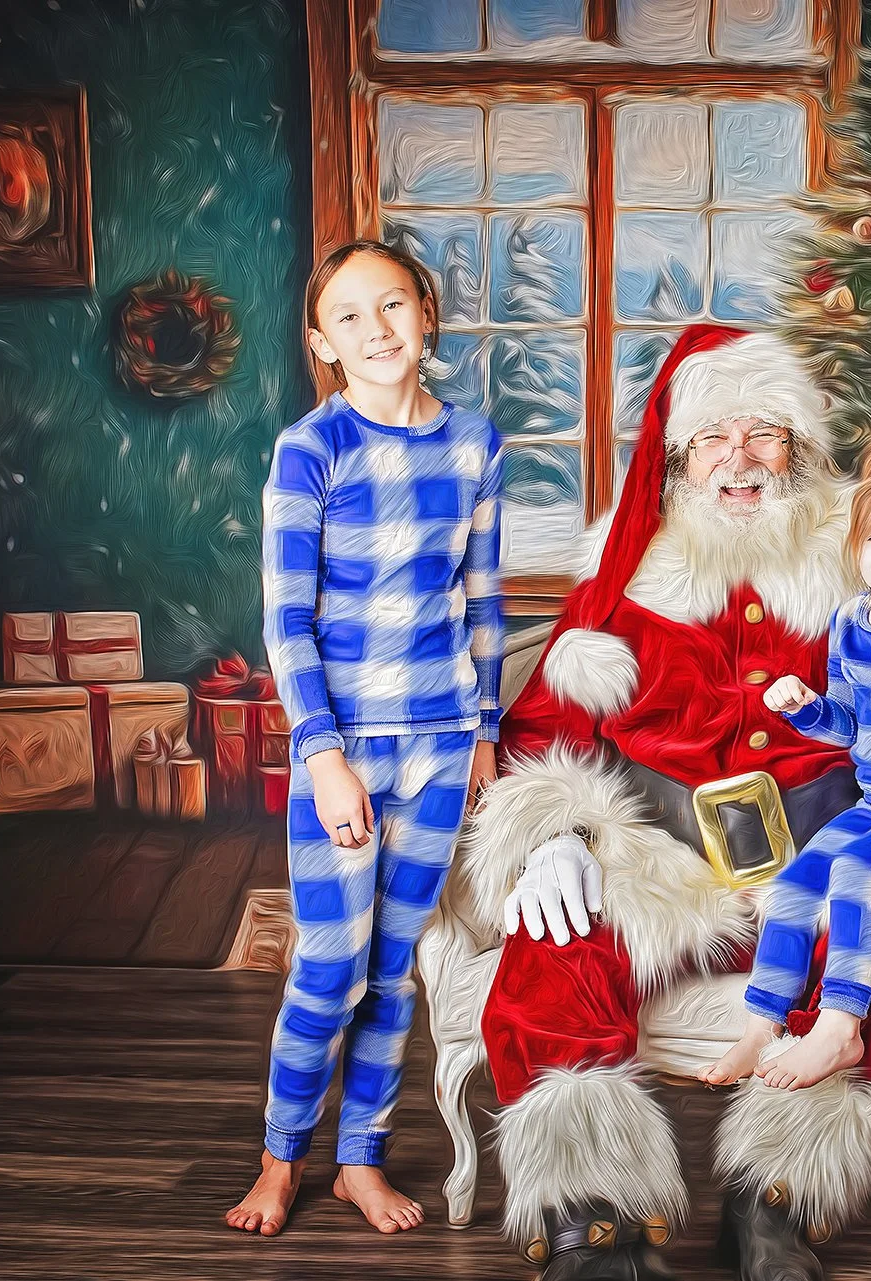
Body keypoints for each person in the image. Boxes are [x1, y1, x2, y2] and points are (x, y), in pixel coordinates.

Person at [420, 325, 871, 1281]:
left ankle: (778, 1199)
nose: (739, 457)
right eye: (714, 436)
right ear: (680, 457)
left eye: (763, 432)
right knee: (554, 936)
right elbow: (540, 734)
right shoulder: (627, 580)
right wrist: (552, 834)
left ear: (798, 446)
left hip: (832, 846)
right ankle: (593, 1226)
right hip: (663, 858)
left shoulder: (865, 556)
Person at [225, 239, 503, 1238]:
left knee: (394, 970)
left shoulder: (475, 443)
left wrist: (484, 730)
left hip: (442, 744)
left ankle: (361, 1161)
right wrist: (323, 756)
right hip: (343, 752)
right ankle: (280, 1159)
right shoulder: (312, 449)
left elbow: (483, 601)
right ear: (322, 344)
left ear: (426, 312)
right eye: (350, 315)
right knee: (330, 969)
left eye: (392, 304)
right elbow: (285, 620)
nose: (377, 328)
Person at [702, 434, 871, 1093]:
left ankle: (840, 1024)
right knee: (797, 882)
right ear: (856, 547)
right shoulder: (851, 622)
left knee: (854, 872)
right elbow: (847, 725)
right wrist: (806, 709)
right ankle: (762, 1025)